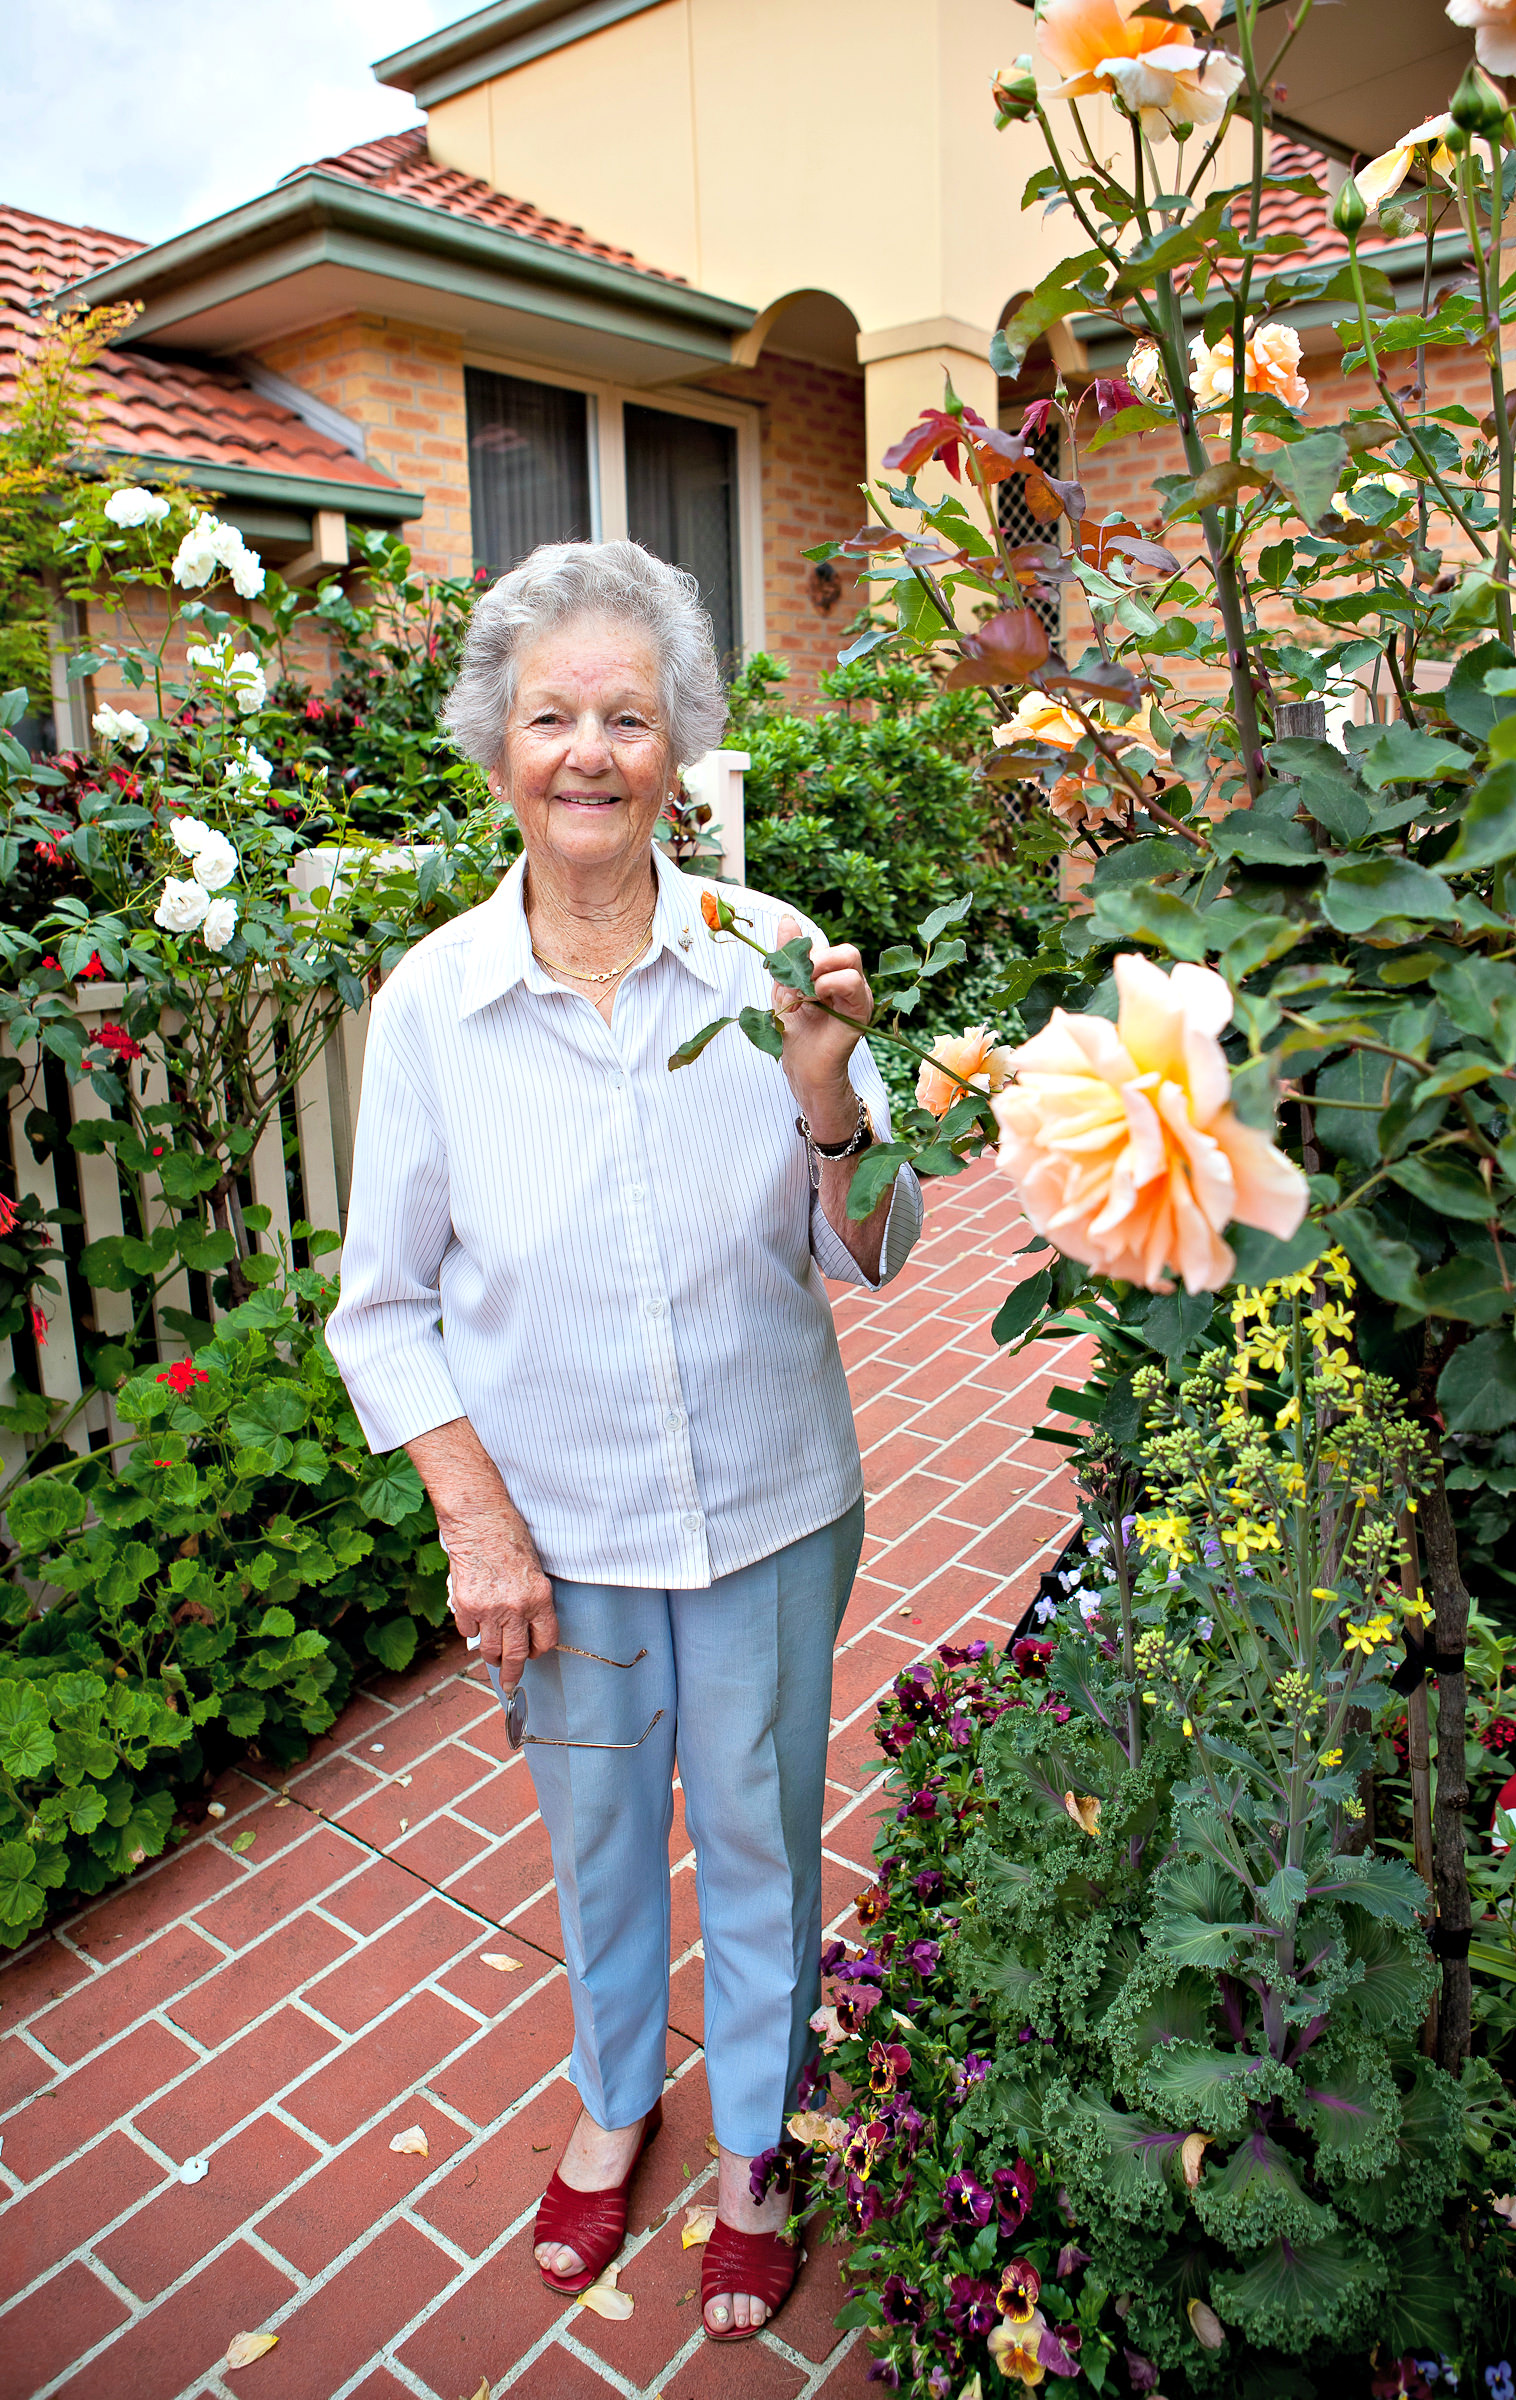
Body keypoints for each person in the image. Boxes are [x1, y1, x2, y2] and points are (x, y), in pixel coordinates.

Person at [326, 539, 922, 2342]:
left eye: (630, 719)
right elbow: (383, 1303)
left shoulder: (774, 960)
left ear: (683, 751)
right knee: (597, 1840)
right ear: (498, 747)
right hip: (559, 1539)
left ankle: (754, 2135)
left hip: (765, 1502)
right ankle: (611, 2097)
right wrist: (476, 1527)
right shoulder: (433, 1002)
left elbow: (878, 1250)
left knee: (758, 1826)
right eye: (551, 717)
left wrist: (826, 1098)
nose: (590, 752)